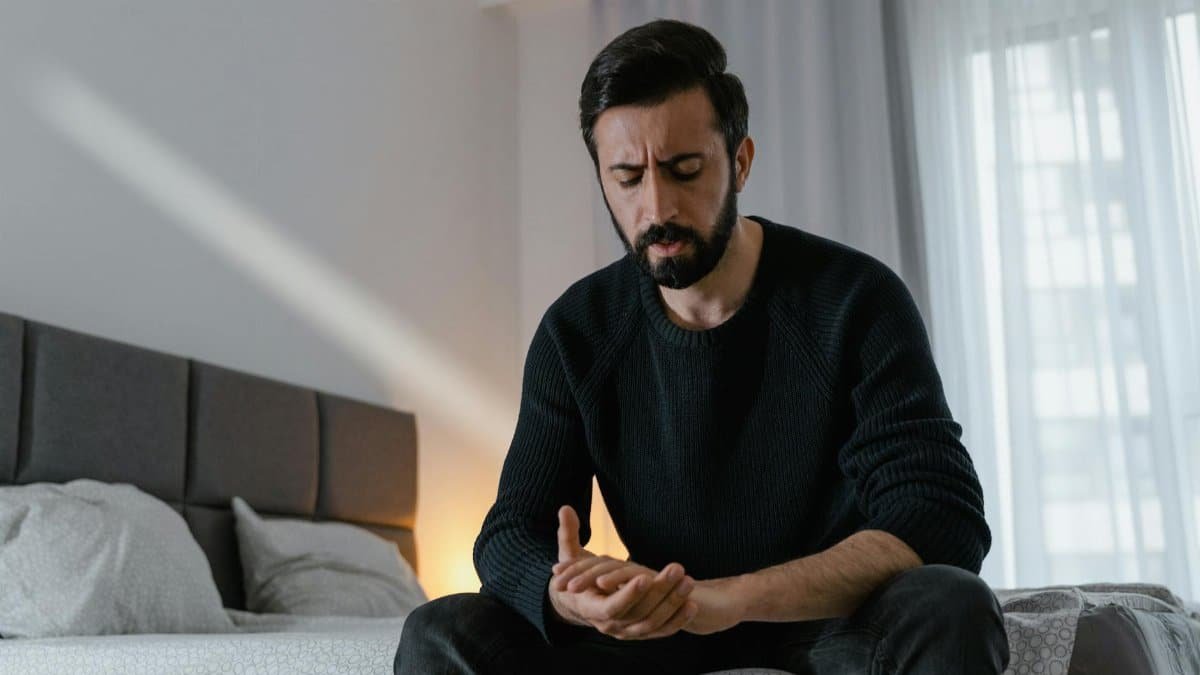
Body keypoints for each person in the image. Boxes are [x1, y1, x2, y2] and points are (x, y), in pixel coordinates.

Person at [396, 18, 1009, 675]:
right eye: (628, 177)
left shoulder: (856, 299)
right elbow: (511, 532)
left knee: (949, 602)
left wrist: (730, 598)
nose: (657, 206)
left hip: (832, 627)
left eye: (684, 170)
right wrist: (567, 593)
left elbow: (939, 514)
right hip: (660, 635)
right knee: (443, 629)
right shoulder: (576, 331)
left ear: (740, 160)